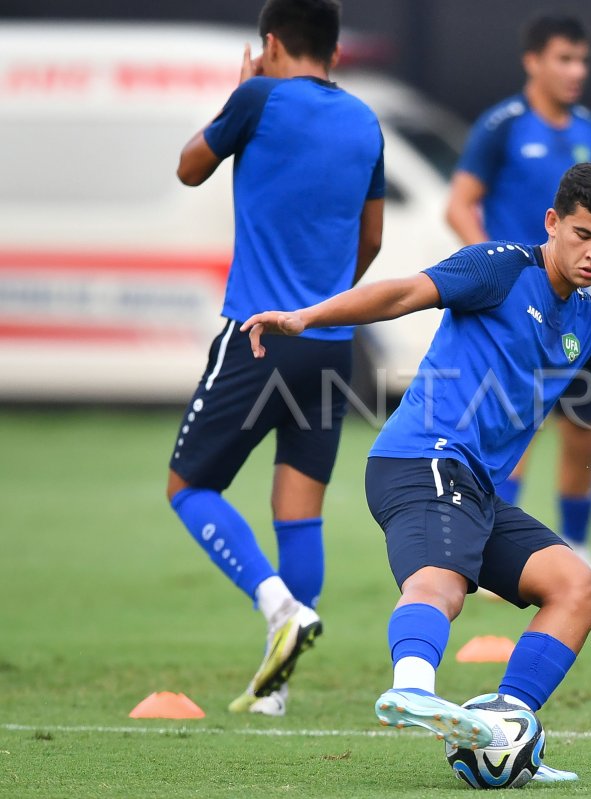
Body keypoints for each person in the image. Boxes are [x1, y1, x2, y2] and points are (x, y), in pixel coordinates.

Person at [241, 163, 591, 781]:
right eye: (583, 234)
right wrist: (307, 317)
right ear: (553, 223)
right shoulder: (499, 267)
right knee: (445, 582)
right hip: (421, 459)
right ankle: (410, 686)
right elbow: (403, 293)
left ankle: (506, 730)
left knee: (577, 588)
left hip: (473, 487)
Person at [166, 0, 385, 717]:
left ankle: (276, 606)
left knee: (188, 487)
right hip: (328, 346)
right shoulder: (366, 120)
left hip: (257, 336)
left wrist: (241, 84)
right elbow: (373, 240)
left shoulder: (257, 96)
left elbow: (188, 168)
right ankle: (277, 691)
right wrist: (321, 305)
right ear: (333, 47)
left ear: (269, 43)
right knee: (300, 515)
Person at [445, 14, 591, 599]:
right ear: (533, 61)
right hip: (523, 310)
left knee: (583, 431)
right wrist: (495, 275)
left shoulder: (588, 127)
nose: (576, 71)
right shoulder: (502, 124)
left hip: (575, 309)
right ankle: (491, 554)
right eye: (564, 59)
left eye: (583, 60)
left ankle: (579, 554)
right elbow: (459, 204)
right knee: (518, 429)